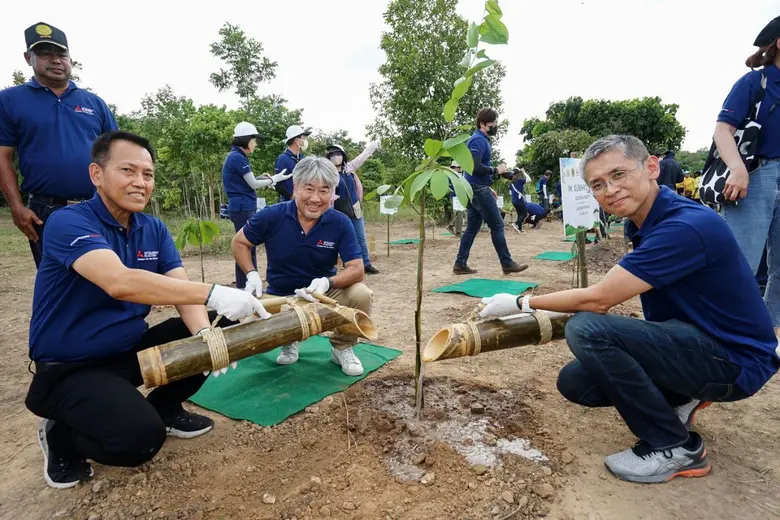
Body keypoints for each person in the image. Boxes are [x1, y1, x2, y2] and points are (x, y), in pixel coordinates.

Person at [479, 135, 779, 484]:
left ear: (651, 167)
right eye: (598, 184)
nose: (610, 189)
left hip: (735, 361)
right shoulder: (642, 222)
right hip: (699, 343)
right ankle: (683, 396)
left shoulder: (683, 227)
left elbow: (599, 300)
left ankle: (675, 446)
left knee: (587, 329)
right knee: (576, 383)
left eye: (619, 174)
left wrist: (522, 302)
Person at [24, 131, 271, 489]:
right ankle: (61, 435)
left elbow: (183, 293)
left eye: (148, 174)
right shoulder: (69, 222)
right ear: (97, 174)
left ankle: (165, 408)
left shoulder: (152, 228)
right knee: (138, 440)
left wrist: (205, 338)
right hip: (72, 366)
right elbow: (119, 281)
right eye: (128, 170)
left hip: (128, 350)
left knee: (205, 336)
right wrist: (215, 292)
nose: (140, 182)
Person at [232, 157, 371, 377]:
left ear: (333, 192)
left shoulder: (340, 222)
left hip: (322, 297)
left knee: (361, 294)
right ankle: (289, 339)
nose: (315, 199)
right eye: (309, 189)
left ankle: (342, 347)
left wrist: (327, 282)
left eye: (324, 190)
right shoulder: (272, 215)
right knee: (245, 322)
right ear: (296, 187)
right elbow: (239, 242)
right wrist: (251, 275)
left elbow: (357, 268)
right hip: (280, 298)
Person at [0, 22, 118, 268]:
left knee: (107, 281)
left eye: (61, 54)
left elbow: (117, 157)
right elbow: (3, 158)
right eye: (45, 53)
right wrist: (16, 207)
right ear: (28, 57)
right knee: (58, 283)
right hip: (46, 212)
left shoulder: (94, 103)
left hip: (98, 205)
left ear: (70, 59)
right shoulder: (10, 100)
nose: (55, 60)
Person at [715, 16, 780, 337]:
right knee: (741, 264)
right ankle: (725, 336)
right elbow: (722, 130)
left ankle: (768, 336)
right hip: (756, 177)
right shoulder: (755, 83)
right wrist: (738, 168)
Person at [453, 108, 527, 275]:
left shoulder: (481, 140)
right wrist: (495, 170)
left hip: (475, 187)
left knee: (472, 227)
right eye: (493, 123)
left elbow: (474, 170)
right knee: (497, 225)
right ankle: (507, 263)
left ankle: (460, 264)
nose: (495, 126)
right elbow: (474, 166)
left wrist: (491, 182)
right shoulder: (478, 140)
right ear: (483, 124)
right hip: (476, 189)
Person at [222, 122, 292, 289]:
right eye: (253, 140)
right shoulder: (237, 158)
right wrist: (274, 179)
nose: (255, 144)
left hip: (242, 206)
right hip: (242, 207)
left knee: (247, 247)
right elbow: (253, 184)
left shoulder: (237, 156)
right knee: (245, 246)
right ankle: (246, 287)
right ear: (245, 140)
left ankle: (245, 286)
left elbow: (247, 181)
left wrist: (265, 178)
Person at [326, 141, 381, 274]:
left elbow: (363, 156)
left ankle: (366, 264)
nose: (335, 156)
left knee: (360, 237)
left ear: (343, 155)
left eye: (338, 154)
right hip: (338, 211)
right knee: (342, 239)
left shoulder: (350, 168)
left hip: (355, 209)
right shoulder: (328, 174)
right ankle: (348, 265)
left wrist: (372, 146)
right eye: (332, 154)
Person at [274, 125, 311, 202]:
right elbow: (277, 184)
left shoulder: (303, 159)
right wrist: (291, 196)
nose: (305, 140)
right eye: (303, 138)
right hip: (287, 202)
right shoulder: (282, 159)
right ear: (297, 140)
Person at [510, 167, 530, 233]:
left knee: (519, 214)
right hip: (519, 200)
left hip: (514, 200)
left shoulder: (511, 183)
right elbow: (529, 179)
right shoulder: (520, 180)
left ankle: (519, 228)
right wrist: (524, 172)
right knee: (525, 214)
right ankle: (516, 223)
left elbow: (510, 193)